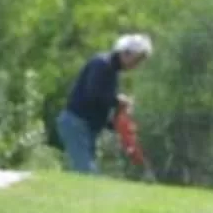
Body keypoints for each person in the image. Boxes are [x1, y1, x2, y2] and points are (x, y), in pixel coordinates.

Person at [57, 33, 152, 173]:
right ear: (126, 54)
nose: (136, 66)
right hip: (76, 124)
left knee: (84, 172)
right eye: (136, 60)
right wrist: (118, 100)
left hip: (86, 127)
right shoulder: (102, 64)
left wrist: (117, 124)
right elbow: (93, 94)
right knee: (87, 173)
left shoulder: (111, 70)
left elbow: (101, 105)